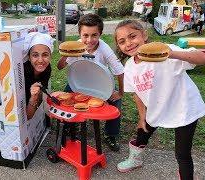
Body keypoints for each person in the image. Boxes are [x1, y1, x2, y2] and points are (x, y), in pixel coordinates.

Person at [114, 19, 205, 180]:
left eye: (132, 36)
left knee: (182, 154)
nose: (128, 43)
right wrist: (142, 117)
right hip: (157, 108)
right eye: (122, 41)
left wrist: (172, 53)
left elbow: (202, 57)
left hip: (184, 110)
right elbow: (136, 94)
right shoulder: (129, 67)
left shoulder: (165, 52)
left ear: (144, 35)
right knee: (142, 132)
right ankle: (135, 159)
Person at [57, 13, 125, 152]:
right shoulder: (75, 46)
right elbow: (59, 66)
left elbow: (120, 71)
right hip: (80, 82)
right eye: (85, 35)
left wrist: (120, 92)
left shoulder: (105, 49)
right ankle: (70, 125)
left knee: (115, 104)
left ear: (100, 34)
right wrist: (66, 55)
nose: (89, 40)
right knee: (65, 100)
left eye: (94, 35)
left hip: (101, 82)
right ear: (80, 34)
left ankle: (111, 135)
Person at [23, 32, 54, 119]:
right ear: (29, 57)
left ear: (50, 56)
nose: (40, 60)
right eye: (35, 55)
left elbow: (41, 95)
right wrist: (33, 97)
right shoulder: (22, 75)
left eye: (45, 55)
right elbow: (27, 117)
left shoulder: (47, 69)